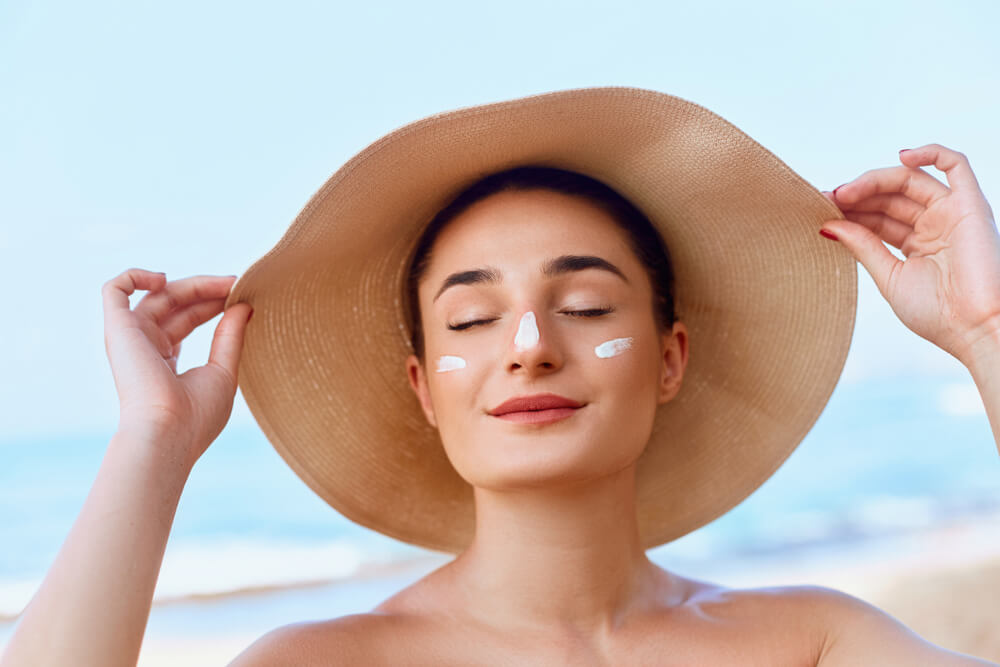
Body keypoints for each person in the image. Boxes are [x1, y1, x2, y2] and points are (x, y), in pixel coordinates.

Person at [2, 88, 998, 666]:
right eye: (471, 318)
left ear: (669, 358)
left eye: (589, 305)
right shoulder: (331, 663)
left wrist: (985, 333)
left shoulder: (810, 643)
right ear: (423, 388)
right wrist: (153, 443)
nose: (527, 343)